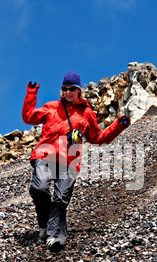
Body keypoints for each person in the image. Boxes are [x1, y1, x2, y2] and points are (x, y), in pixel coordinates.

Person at [22, 71, 130, 252]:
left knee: (60, 198)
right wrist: (31, 93)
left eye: (72, 88)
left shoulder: (86, 113)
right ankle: (46, 223)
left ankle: (55, 237)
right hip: (45, 155)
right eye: (65, 88)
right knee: (38, 189)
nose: (68, 91)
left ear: (79, 90)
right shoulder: (51, 107)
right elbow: (28, 117)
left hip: (70, 160)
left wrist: (119, 125)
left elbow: (98, 138)